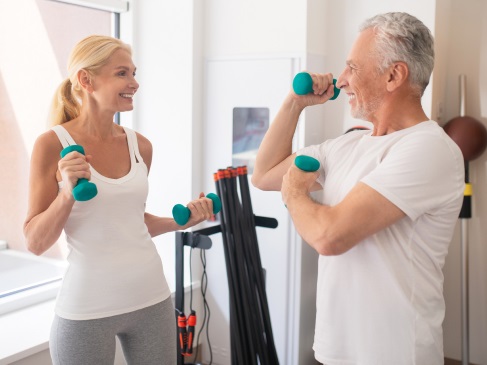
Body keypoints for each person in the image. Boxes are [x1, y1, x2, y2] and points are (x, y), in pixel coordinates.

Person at [252, 12, 464, 365]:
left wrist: (294, 193)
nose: (342, 80)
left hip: (395, 354)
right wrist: (295, 103)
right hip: (336, 349)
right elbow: (264, 175)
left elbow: (329, 236)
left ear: (394, 75)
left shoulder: (429, 149)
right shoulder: (348, 145)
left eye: (353, 67)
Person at [23, 35, 214, 365]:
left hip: (151, 296)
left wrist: (183, 221)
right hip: (87, 308)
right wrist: (67, 192)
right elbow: (36, 242)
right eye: (122, 73)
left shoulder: (141, 146)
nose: (135, 83)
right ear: (86, 80)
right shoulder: (52, 145)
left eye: (134, 73)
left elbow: (132, 222)